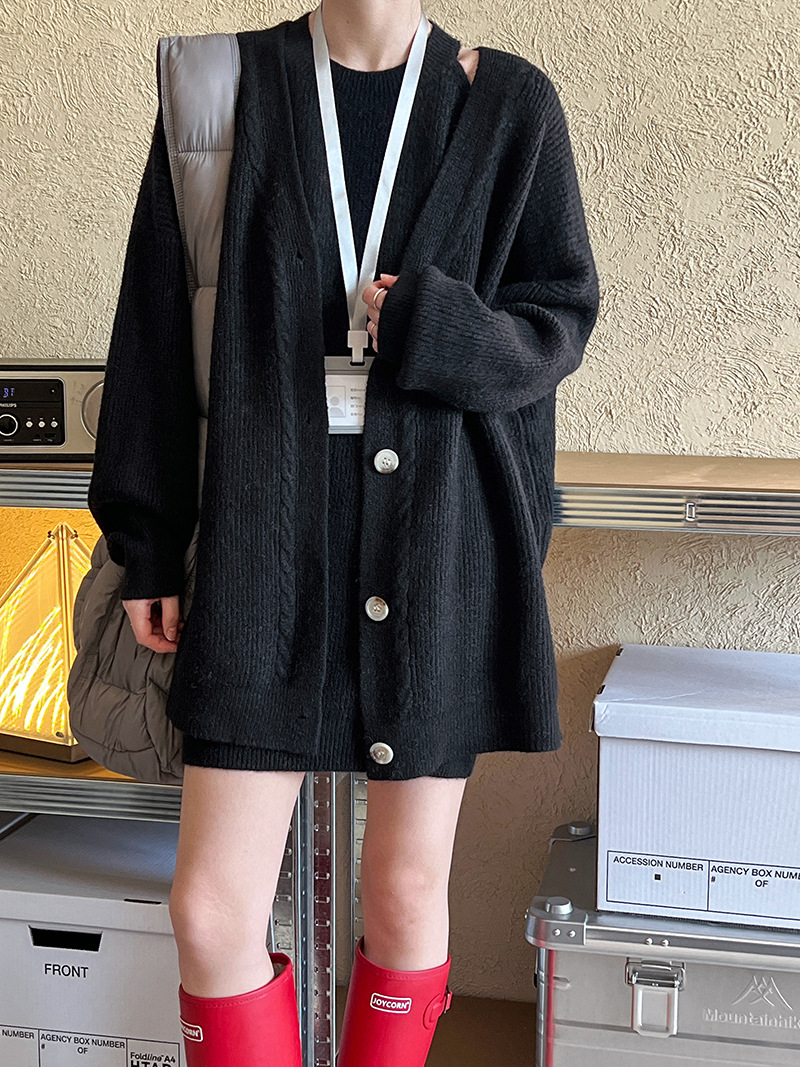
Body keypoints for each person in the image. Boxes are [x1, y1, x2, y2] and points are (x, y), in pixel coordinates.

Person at [87, 0, 600, 1063]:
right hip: (261, 544)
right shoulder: (222, 89)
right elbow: (152, 320)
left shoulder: (511, 105)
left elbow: (558, 322)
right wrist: (148, 537)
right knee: (211, 910)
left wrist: (434, 326)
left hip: (438, 543)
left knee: (405, 893)